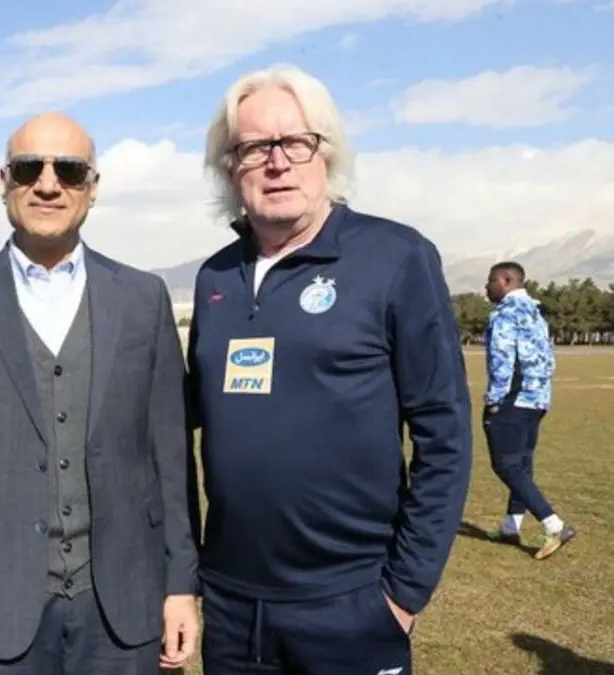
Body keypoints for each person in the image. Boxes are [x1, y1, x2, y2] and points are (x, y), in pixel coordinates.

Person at [186, 63, 473, 674]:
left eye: (296, 141)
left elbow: (444, 433)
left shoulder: (395, 258)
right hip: (232, 605)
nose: (277, 162)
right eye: (255, 147)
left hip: (352, 601)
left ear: (327, 152)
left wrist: (403, 592)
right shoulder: (215, 278)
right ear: (230, 167)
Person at [0, 112, 199, 675]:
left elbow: (170, 456)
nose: (47, 184)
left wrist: (180, 583)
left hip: (124, 600)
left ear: (92, 186)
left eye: (68, 169)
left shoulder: (144, 299)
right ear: (4, 182)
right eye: (27, 169)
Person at [482, 261, 575, 559]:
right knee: (521, 463)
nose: (486, 287)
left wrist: (494, 400)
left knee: (505, 465)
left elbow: (502, 360)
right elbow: (548, 356)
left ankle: (553, 525)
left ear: (507, 281)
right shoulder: (536, 312)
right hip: (537, 398)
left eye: (491, 281)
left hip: (512, 400)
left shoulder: (505, 314)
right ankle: (511, 526)